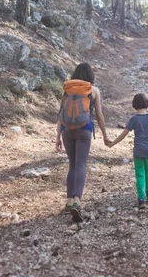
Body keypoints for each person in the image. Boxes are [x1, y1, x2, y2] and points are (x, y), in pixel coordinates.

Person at [56, 62, 110, 222]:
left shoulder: (67, 88)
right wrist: (105, 135)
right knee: (80, 165)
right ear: (90, 76)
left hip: (67, 130)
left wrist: (57, 137)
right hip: (84, 129)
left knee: (72, 165)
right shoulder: (93, 90)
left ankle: (68, 202)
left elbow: (61, 114)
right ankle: (77, 202)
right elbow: (99, 115)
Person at [107, 93, 148, 210]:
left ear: (134, 105)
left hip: (138, 151)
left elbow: (124, 134)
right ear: (147, 104)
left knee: (140, 173)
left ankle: (142, 199)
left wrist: (112, 144)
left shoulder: (133, 119)